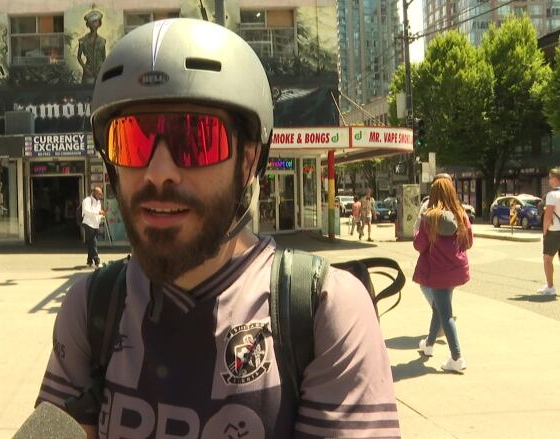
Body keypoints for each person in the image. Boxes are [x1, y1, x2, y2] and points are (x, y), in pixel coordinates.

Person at [35, 19, 399, 438]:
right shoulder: (89, 310)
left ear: (247, 162)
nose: (159, 172)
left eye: (196, 138)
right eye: (132, 140)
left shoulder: (324, 313)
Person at [413, 177, 472, 372]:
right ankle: (429, 345)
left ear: (434, 194)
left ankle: (457, 357)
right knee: (440, 306)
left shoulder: (428, 217)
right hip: (456, 270)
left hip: (437, 272)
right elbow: (469, 242)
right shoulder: (461, 214)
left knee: (445, 313)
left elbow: (419, 245)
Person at [538, 167, 560, 296]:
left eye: (550, 177)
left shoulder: (552, 195)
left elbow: (548, 216)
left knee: (547, 259)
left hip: (554, 231)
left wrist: (544, 232)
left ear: (556, 179)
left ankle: (550, 287)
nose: (549, 180)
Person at [77, 10, 106, 84]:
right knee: (87, 91)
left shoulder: (102, 41)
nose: (94, 25)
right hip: (89, 69)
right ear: (88, 24)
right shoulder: (83, 41)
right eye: (92, 22)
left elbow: (104, 57)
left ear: (99, 24)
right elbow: (79, 57)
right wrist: (85, 68)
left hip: (100, 70)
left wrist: (104, 70)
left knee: (101, 91)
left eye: (96, 22)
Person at [81, 186, 105, 268]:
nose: (100, 195)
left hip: (95, 224)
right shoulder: (87, 200)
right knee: (93, 242)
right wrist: (98, 212)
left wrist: (101, 215)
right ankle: (97, 261)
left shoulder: (98, 202)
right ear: (94, 193)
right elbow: (86, 211)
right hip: (88, 224)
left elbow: (97, 214)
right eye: (99, 194)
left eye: (101, 194)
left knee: (91, 243)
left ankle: (89, 262)